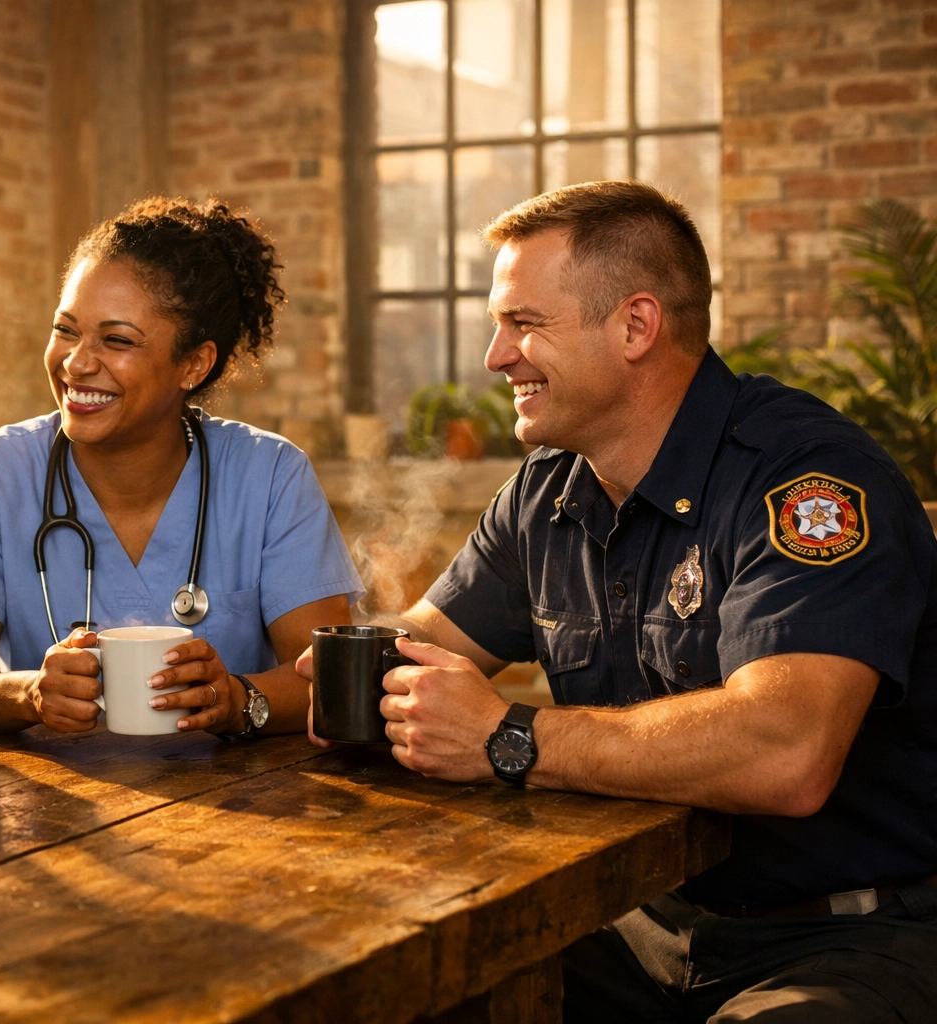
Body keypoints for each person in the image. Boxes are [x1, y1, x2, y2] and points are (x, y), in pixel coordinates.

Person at [302, 181, 937, 1021]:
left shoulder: (804, 479)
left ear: (636, 326)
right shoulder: (546, 493)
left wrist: (511, 736)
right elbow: (419, 647)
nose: (496, 357)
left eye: (524, 323)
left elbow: (789, 753)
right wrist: (240, 697)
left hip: (850, 938)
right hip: (641, 926)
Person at [0, 197, 362, 737]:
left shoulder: (270, 477)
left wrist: (237, 698)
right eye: (66, 330)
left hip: (238, 800)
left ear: (194, 363)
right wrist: (27, 693)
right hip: (54, 807)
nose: (77, 363)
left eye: (117, 340)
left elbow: (331, 679)